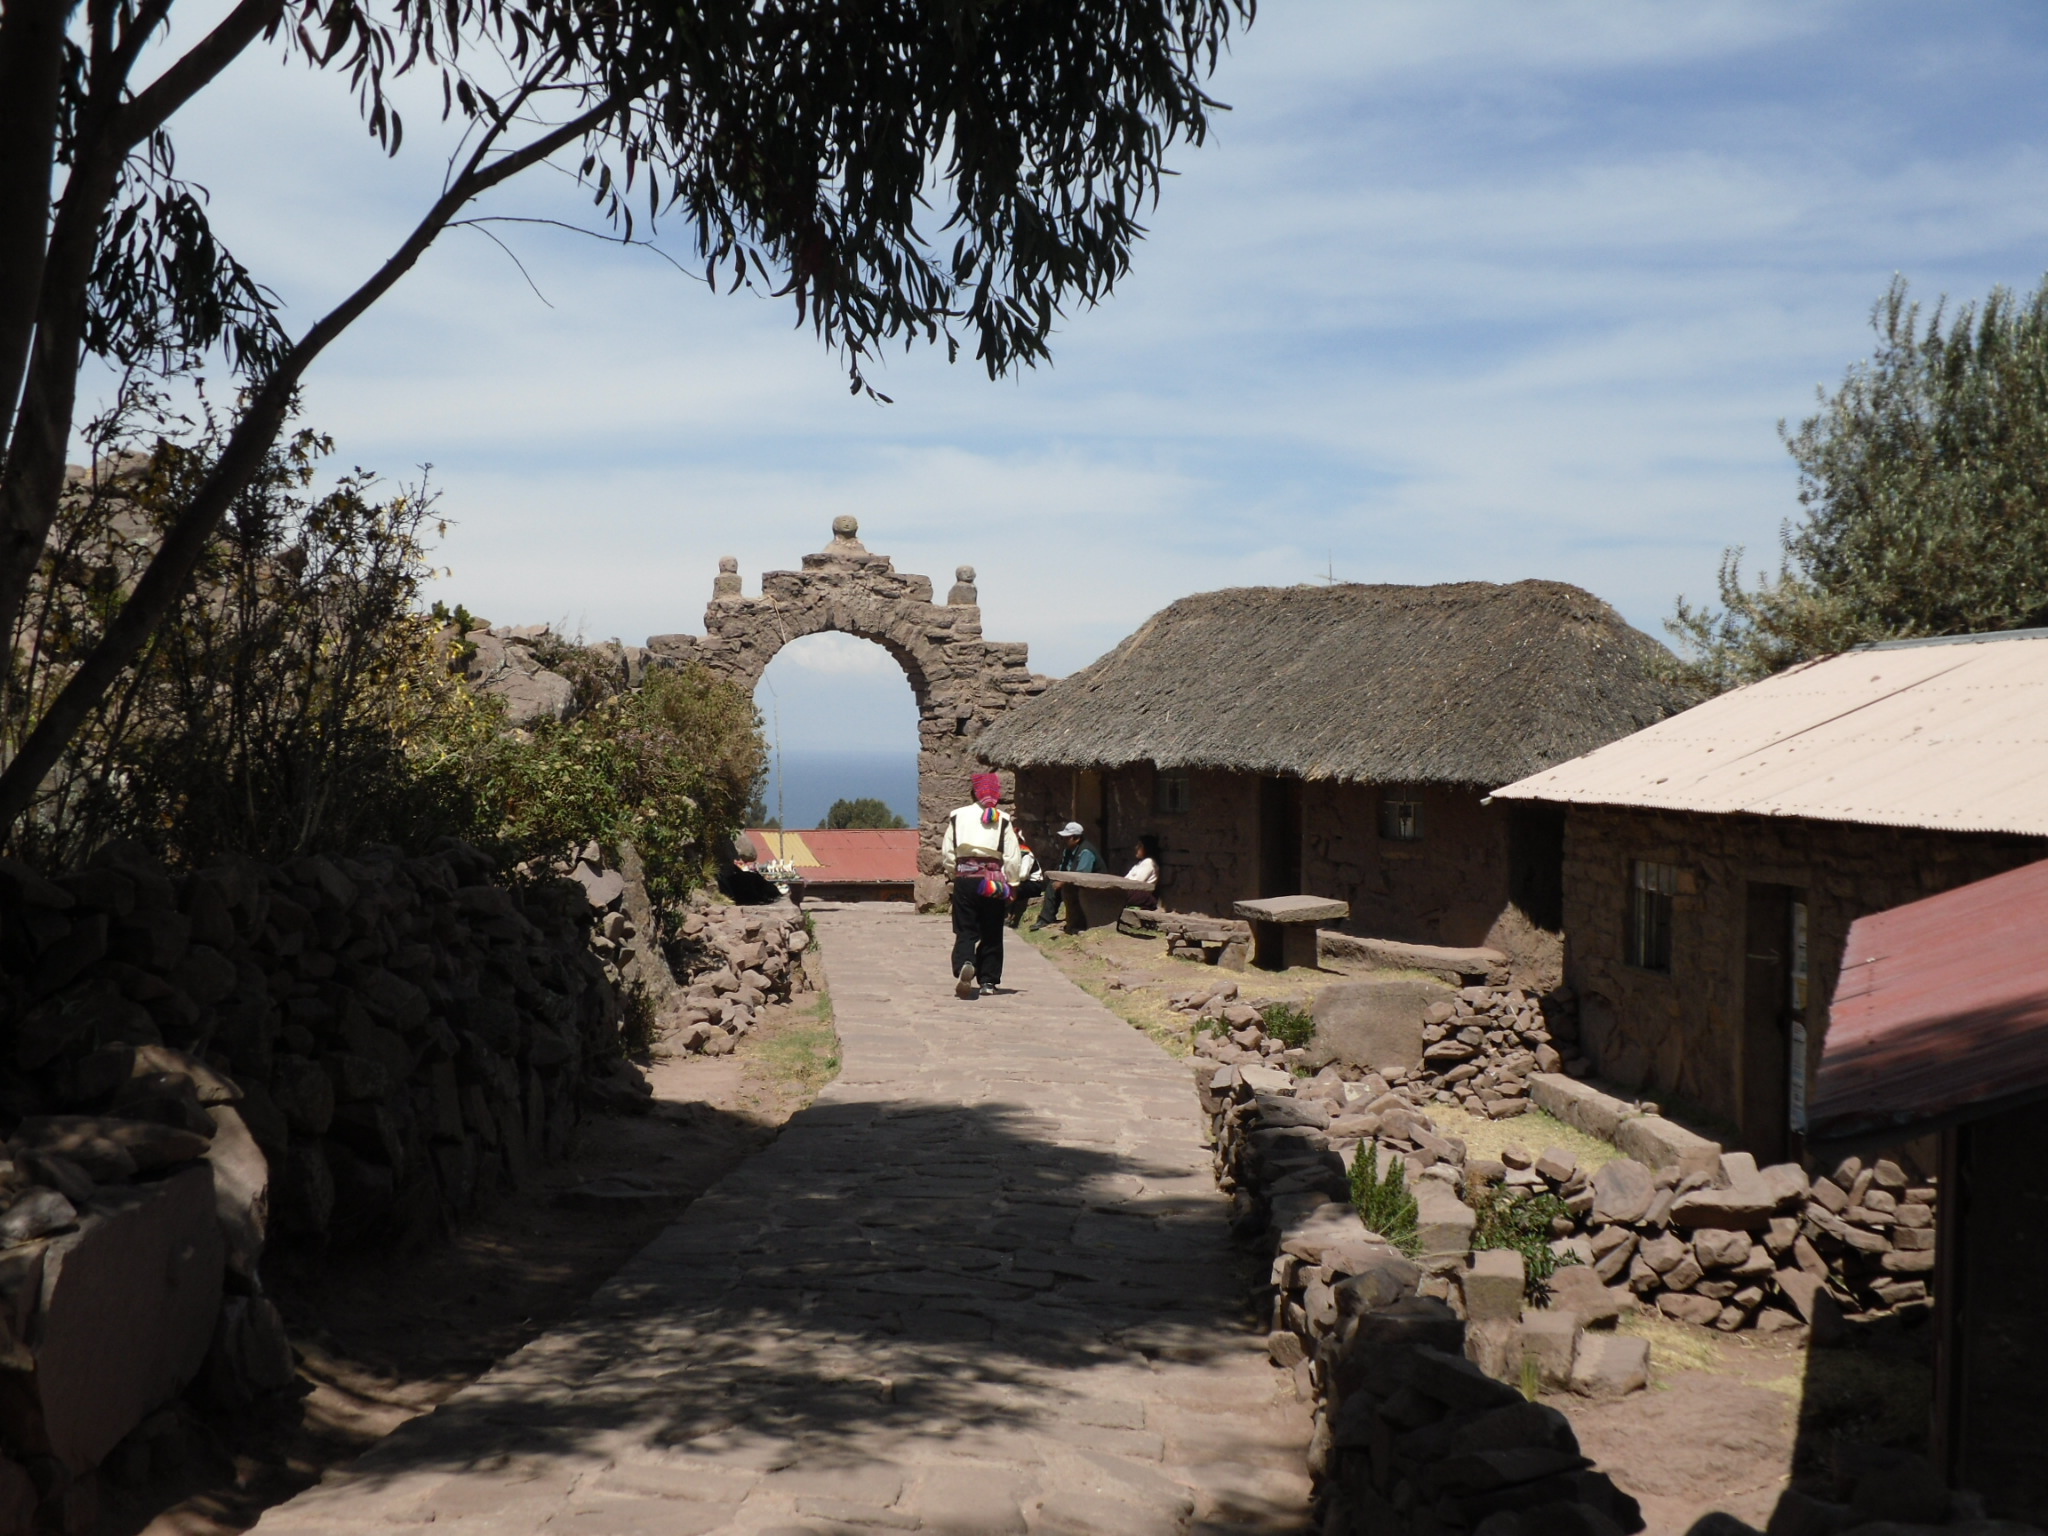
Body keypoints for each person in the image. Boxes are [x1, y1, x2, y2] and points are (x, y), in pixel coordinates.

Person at [941, 772, 1023, 997]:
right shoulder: (1003, 819)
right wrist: (1013, 882)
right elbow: (1013, 857)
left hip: (966, 880)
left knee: (966, 928)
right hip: (992, 882)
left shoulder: (957, 816)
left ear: (973, 793)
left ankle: (966, 962)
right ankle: (988, 981)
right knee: (992, 930)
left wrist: (954, 872)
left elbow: (948, 852)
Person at [1032, 821, 1102, 929]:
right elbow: (1063, 869)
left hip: (1093, 885)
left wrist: (1062, 882)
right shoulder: (1068, 850)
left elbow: (1082, 875)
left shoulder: (1086, 851)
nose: (1064, 840)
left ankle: (1076, 922)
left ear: (1076, 839)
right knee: (1052, 886)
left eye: (1067, 838)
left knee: (1067, 889)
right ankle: (1045, 918)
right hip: (1073, 880)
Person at [1124, 834, 1161, 909]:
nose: (1136, 848)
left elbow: (1136, 882)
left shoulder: (1149, 863)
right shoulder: (1140, 864)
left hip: (1138, 893)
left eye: (1140, 846)